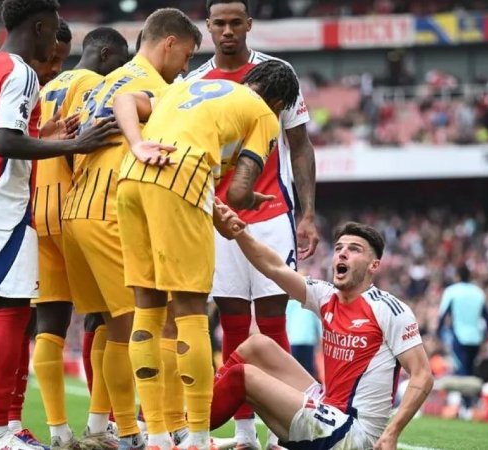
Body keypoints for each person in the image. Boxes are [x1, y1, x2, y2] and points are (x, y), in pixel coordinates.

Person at [0, 0, 119, 448]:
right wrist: (79, 142)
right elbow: (4, 142)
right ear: (40, 26)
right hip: (0, 207)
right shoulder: (20, 72)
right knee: (10, 316)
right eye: (52, 36)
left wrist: (43, 137)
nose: (53, 49)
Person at [112, 59, 300, 450]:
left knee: (147, 308)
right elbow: (237, 191)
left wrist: (137, 142)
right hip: (183, 182)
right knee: (191, 312)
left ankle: (158, 437)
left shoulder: (185, 88)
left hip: (131, 179)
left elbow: (124, 99)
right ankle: (197, 436)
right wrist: (248, 198)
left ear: (250, 79)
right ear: (280, 103)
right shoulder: (264, 113)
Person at [59, 8, 202, 450]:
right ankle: (159, 427)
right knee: (155, 324)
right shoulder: (154, 87)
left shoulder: (103, 82)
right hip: (111, 211)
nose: (187, 68)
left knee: (110, 328)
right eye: (188, 56)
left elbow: (72, 143)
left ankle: (105, 426)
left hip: (76, 210)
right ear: (170, 43)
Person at [184, 3, 319, 447]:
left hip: (273, 216)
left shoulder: (278, 75)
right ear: (207, 27)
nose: (226, 31)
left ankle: (284, 429)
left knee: (275, 321)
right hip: (218, 216)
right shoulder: (194, 82)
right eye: (218, 23)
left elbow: (299, 146)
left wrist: (308, 213)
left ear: (248, 25)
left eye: (234, 22)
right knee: (234, 321)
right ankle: (244, 434)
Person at [210, 218, 433, 450]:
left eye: (354, 249)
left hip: (353, 434)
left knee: (241, 376)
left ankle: (191, 433)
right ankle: (227, 431)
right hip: (326, 407)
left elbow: (422, 375)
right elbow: (273, 267)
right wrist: (239, 233)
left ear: (373, 266)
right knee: (256, 346)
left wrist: (391, 433)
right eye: (339, 248)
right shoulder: (326, 296)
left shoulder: (388, 309)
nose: (342, 254)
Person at [31, 27, 130, 450]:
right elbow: (87, 147)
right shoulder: (95, 84)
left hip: (40, 208)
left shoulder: (48, 86)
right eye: (121, 63)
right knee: (109, 318)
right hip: (78, 206)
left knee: (50, 325)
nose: (122, 72)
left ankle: (57, 431)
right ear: (105, 54)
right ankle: (98, 425)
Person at [437, 264, 488, 376]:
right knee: (472, 370)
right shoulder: (478, 292)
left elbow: (442, 315)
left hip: (459, 337)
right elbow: (486, 317)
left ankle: (466, 393)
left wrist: (438, 334)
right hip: (476, 337)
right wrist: (485, 337)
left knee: (462, 370)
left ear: (457, 276)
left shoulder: (451, 291)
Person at [285, 299, 322, 379]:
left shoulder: (289, 302)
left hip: (293, 340)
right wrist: (321, 337)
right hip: (308, 339)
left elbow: (286, 320)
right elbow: (318, 322)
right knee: (308, 370)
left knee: (293, 369)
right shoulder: (311, 302)